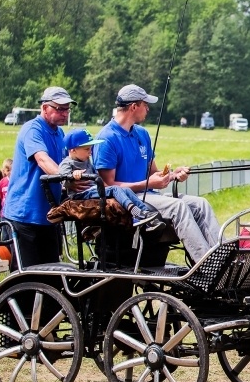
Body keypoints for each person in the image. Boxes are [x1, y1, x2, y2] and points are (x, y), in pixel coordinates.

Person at [94, 84, 221, 261]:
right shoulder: (106, 139)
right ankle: (206, 264)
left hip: (149, 195)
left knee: (201, 204)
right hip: (127, 200)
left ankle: (221, 258)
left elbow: (154, 173)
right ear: (133, 107)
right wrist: (148, 184)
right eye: (145, 104)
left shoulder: (142, 134)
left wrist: (172, 174)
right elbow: (108, 185)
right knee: (179, 207)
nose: (148, 109)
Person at [2, 87, 80, 268]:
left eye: (67, 109)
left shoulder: (59, 133)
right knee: (27, 278)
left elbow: (65, 163)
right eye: (59, 109)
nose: (64, 113)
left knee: (50, 276)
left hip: (48, 216)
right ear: (45, 108)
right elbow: (43, 160)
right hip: (25, 216)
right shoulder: (32, 129)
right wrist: (67, 177)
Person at [59, 128, 164, 231]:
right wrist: (72, 176)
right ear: (73, 150)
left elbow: (96, 176)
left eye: (91, 148)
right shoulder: (67, 163)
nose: (90, 152)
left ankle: (146, 213)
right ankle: (135, 212)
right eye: (87, 149)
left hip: (93, 190)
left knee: (126, 190)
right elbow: (63, 180)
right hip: (80, 195)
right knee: (115, 189)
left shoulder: (87, 161)